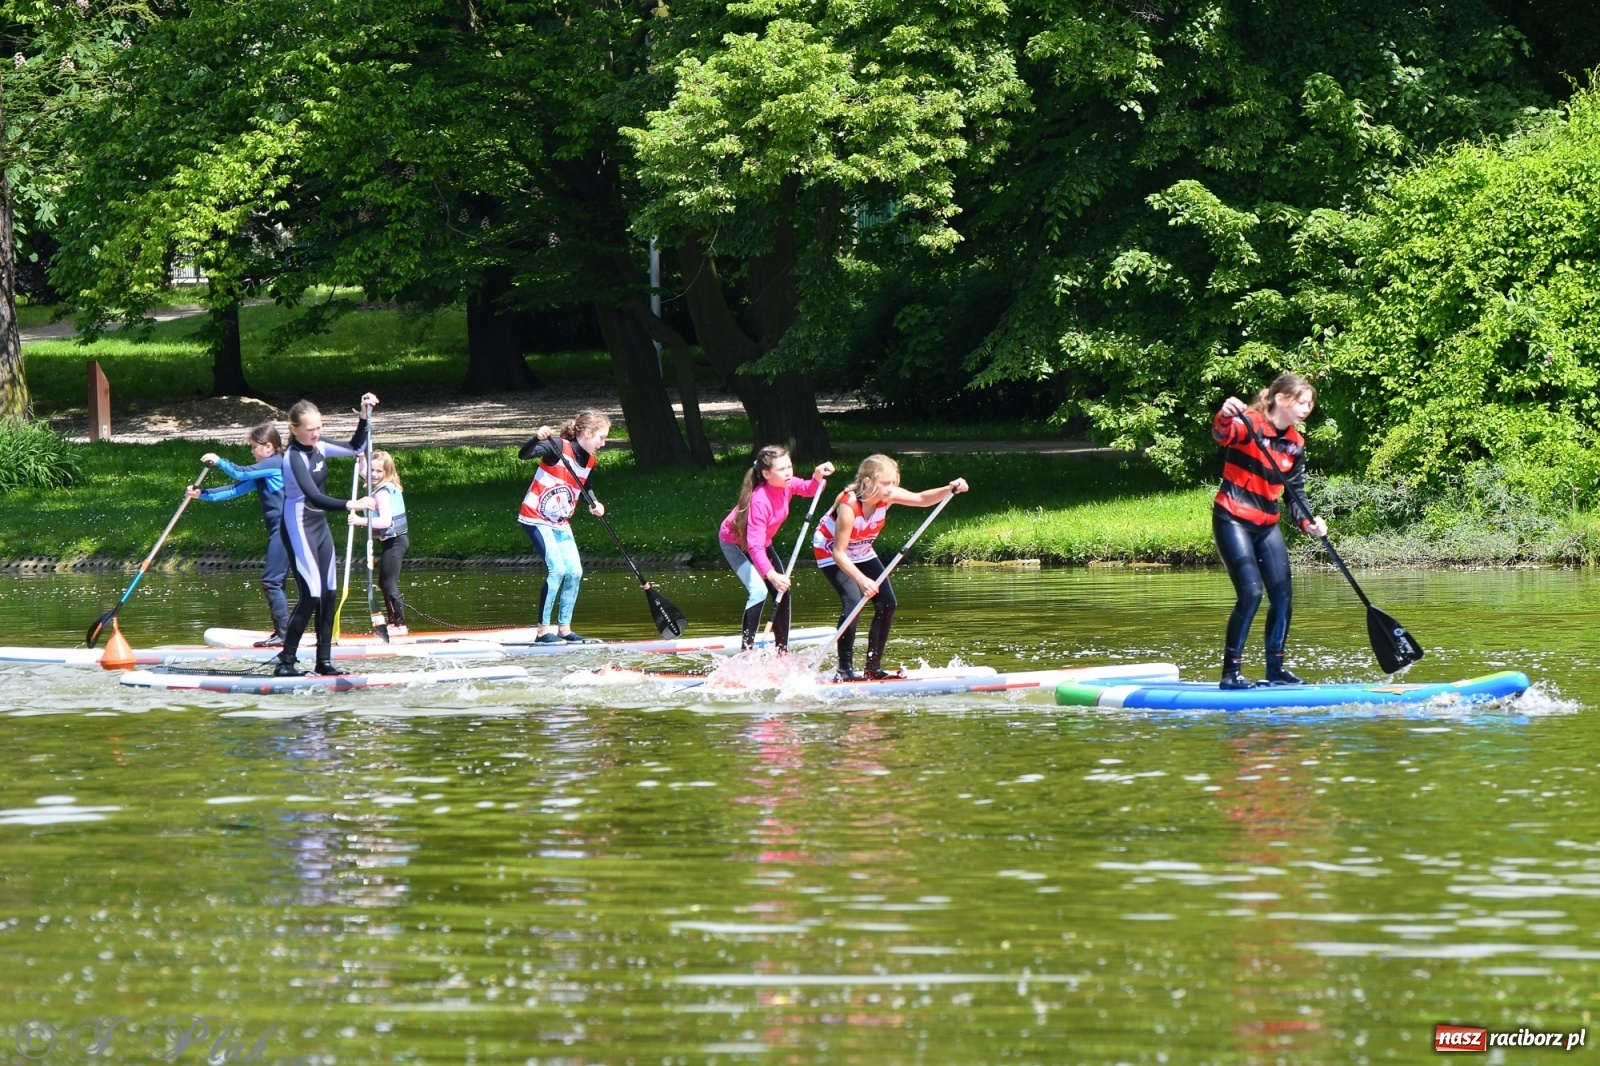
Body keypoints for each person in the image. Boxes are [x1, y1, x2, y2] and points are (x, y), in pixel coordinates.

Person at [1211, 372, 1329, 689]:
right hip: (1232, 518)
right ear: (1281, 399)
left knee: (1283, 598)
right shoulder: (1248, 422)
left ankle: (1275, 670)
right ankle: (1230, 675)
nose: (1307, 409)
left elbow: (1295, 493)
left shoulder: (1295, 444)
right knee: (1251, 594)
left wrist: (1309, 522)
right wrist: (1224, 415)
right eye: (1302, 402)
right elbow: (1223, 435)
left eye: (1310, 404)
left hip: (1266, 524)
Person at [814, 454, 968, 680]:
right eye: (885, 484)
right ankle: (844, 669)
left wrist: (949, 488)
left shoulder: (888, 496)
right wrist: (862, 579)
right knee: (854, 601)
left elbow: (921, 499)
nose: (890, 489)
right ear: (867, 481)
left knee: (888, 603)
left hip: (862, 550)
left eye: (893, 483)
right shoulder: (849, 504)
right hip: (831, 551)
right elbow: (839, 552)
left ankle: (872, 668)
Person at [276, 394, 378, 677]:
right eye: (310, 430)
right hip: (298, 526)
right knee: (311, 594)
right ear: (294, 429)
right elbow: (314, 496)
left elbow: (358, 446)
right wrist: (353, 504)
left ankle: (324, 662)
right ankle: (285, 662)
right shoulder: (293, 457)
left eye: (319, 427)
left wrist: (364, 415)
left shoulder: (320, 446)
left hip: (319, 528)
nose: (316, 434)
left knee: (329, 594)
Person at [718, 446, 835, 652]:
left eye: (789, 466)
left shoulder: (786, 484)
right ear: (766, 474)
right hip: (735, 544)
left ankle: (782, 653)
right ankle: (746, 654)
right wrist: (770, 574)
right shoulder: (760, 500)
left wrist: (817, 475)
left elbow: (810, 489)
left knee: (783, 591)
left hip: (761, 543)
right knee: (759, 591)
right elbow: (753, 546)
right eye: (782, 469)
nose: (788, 472)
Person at [185, 423, 290, 647]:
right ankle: (284, 631)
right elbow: (234, 489)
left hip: (285, 529)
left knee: (271, 582)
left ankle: (285, 634)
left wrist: (219, 460)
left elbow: (240, 472)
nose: (251, 451)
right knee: (276, 582)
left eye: (254, 447)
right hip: (281, 530)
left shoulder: (275, 463)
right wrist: (201, 494)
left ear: (269, 446)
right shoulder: (264, 470)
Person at [517, 410, 610, 643]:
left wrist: (594, 502)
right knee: (556, 569)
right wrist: (536, 438)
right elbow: (523, 455)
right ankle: (542, 632)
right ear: (588, 433)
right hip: (535, 517)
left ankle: (564, 630)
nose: (604, 443)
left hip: (559, 522)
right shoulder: (556, 447)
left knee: (575, 572)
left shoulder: (590, 460)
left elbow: (585, 485)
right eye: (602, 437)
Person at [347, 450, 409, 636]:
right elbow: (364, 470)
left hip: (396, 541)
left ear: (388, 472)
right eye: (372, 471)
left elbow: (385, 522)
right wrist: (361, 457)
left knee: (389, 583)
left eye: (379, 472)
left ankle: (400, 625)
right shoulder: (375, 483)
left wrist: (360, 520)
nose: (373, 475)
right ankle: (393, 623)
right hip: (388, 542)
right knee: (383, 583)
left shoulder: (383, 492)